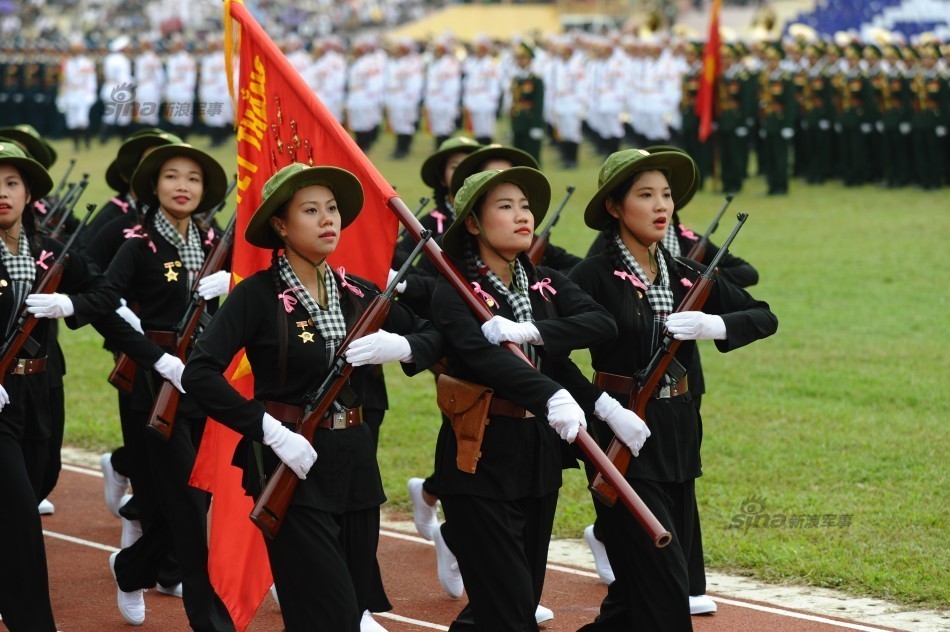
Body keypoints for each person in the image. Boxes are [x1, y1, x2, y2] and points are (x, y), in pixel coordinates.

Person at [182, 163, 443, 631]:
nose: (328, 220)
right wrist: (268, 430)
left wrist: (401, 346)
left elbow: (434, 334)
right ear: (280, 225)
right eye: (310, 210)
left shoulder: (358, 292)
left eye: (332, 209)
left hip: (355, 462)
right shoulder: (255, 296)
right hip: (290, 463)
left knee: (338, 607)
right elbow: (200, 373)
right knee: (331, 611)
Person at [568, 147, 778, 630]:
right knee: (664, 594)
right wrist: (598, 404)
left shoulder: (686, 274)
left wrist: (713, 324)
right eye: (645, 195)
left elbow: (764, 315)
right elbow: (550, 354)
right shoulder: (592, 275)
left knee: (637, 598)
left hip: (679, 433)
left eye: (666, 195)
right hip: (622, 434)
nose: (662, 206)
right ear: (615, 208)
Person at [37, 142, 235, 628]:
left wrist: (236, 279)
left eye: (193, 178)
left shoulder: (215, 244)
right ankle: (209, 622)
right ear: (154, 187)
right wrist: (71, 305)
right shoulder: (139, 241)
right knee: (187, 507)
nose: (183, 186)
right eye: (172, 176)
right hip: (158, 382)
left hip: (207, 381)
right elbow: (105, 292)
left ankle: (132, 568)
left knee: (196, 500)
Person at [429, 166, 617, 630]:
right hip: (480, 456)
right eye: (505, 207)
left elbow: (601, 322)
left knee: (514, 600)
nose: (522, 216)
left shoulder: (546, 281)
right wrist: (551, 394)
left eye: (526, 206)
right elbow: (484, 358)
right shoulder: (455, 291)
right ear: (472, 223)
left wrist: (534, 330)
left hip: (537, 456)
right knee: (510, 609)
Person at [0, 142, 101, 631]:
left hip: (37, 393)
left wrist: (70, 305)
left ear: (29, 194)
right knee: (20, 516)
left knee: (38, 486)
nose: (1, 193)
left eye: (12, 183)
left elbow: (101, 289)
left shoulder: (48, 253)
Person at [508, 41, 545, 166]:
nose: (520, 61)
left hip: (530, 119)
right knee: (519, 153)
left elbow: (539, 102)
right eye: (518, 58)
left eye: (523, 58)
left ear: (529, 59)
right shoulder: (516, 78)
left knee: (532, 153)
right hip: (518, 119)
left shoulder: (535, 78)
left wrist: (537, 125)